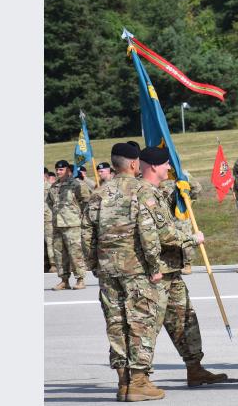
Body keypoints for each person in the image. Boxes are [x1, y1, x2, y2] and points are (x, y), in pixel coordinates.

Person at [80, 143, 166, 402]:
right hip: (136, 269)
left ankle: (123, 382)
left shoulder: (98, 193)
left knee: (116, 324)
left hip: (108, 271)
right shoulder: (141, 190)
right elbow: (148, 233)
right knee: (140, 323)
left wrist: (94, 265)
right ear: (133, 164)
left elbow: (86, 234)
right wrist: (154, 266)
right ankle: (139, 382)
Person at [137, 147, 229, 388]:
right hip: (155, 272)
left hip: (171, 269)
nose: (169, 167)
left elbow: (190, 192)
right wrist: (192, 239)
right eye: (166, 163)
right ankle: (137, 378)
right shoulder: (142, 193)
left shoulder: (161, 190)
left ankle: (195, 368)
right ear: (154, 165)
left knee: (185, 319)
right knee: (147, 325)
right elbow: (161, 233)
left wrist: (181, 177)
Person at [46, 160, 91, 290]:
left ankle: (80, 279)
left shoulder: (76, 184)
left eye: (61, 169)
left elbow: (86, 201)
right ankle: (64, 280)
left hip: (72, 224)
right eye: (57, 169)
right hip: (58, 225)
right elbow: (50, 202)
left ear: (68, 170)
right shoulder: (54, 186)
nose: (58, 172)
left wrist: (78, 214)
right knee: (59, 254)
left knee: (75, 253)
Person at [160, 168, 203, 275]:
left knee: (186, 236)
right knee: (169, 238)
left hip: (180, 212)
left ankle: (188, 264)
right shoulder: (160, 173)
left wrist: (188, 201)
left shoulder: (181, 173)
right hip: (165, 213)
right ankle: (171, 263)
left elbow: (196, 188)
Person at [44, 168, 57, 273]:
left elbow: (56, 203)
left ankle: (53, 264)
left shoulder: (50, 187)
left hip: (47, 219)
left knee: (50, 242)